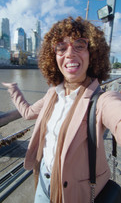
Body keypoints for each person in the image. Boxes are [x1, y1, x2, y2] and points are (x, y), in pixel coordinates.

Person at [2, 16, 121, 203]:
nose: (70, 53)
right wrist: (13, 89)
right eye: (61, 47)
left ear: (93, 54)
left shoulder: (102, 100)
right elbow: (28, 113)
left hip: (74, 194)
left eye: (80, 45)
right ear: (54, 56)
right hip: (42, 180)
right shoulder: (52, 95)